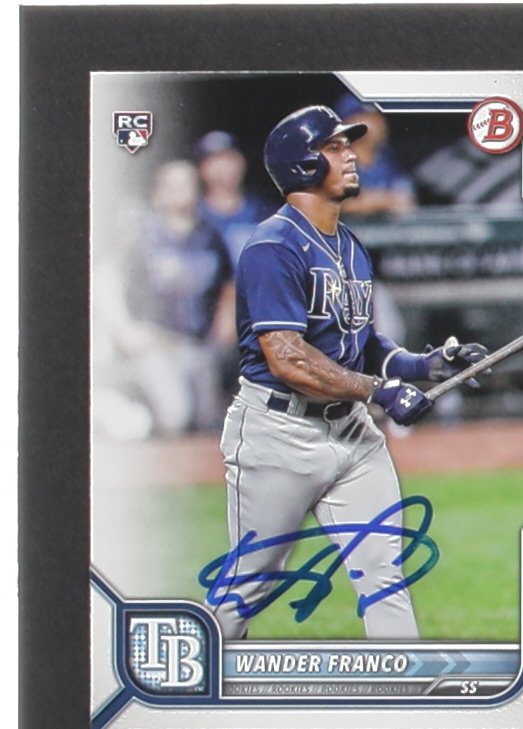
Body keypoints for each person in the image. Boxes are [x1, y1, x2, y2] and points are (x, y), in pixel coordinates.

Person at [209, 106, 487, 640]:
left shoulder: (348, 245)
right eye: (334, 148)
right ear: (302, 164)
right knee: (248, 587)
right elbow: (288, 357)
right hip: (280, 433)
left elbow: (362, 343)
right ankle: (192, 677)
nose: (351, 155)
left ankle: (401, 688)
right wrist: (381, 391)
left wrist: (423, 364)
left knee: (383, 575)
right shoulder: (273, 246)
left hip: (352, 434)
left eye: (346, 146)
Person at [126, 160, 236, 435]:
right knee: (175, 417)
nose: (182, 191)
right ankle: (126, 399)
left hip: (199, 344)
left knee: (208, 422)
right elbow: (108, 282)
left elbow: (229, 283)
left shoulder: (210, 236)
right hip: (157, 343)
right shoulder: (143, 239)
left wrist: (225, 319)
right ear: (158, 193)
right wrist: (126, 329)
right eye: (173, 186)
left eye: (188, 184)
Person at [195, 130, 272, 265]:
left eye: (229, 158)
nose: (224, 167)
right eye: (215, 160)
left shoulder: (265, 214)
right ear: (202, 168)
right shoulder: (194, 216)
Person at [334, 92, 417, 216]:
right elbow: (335, 204)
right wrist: (381, 201)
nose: (378, 122)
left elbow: (406, 200)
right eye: (367, 116)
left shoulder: (387, 159)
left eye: (376, 116)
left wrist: (373, 201)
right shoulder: (335, 161)